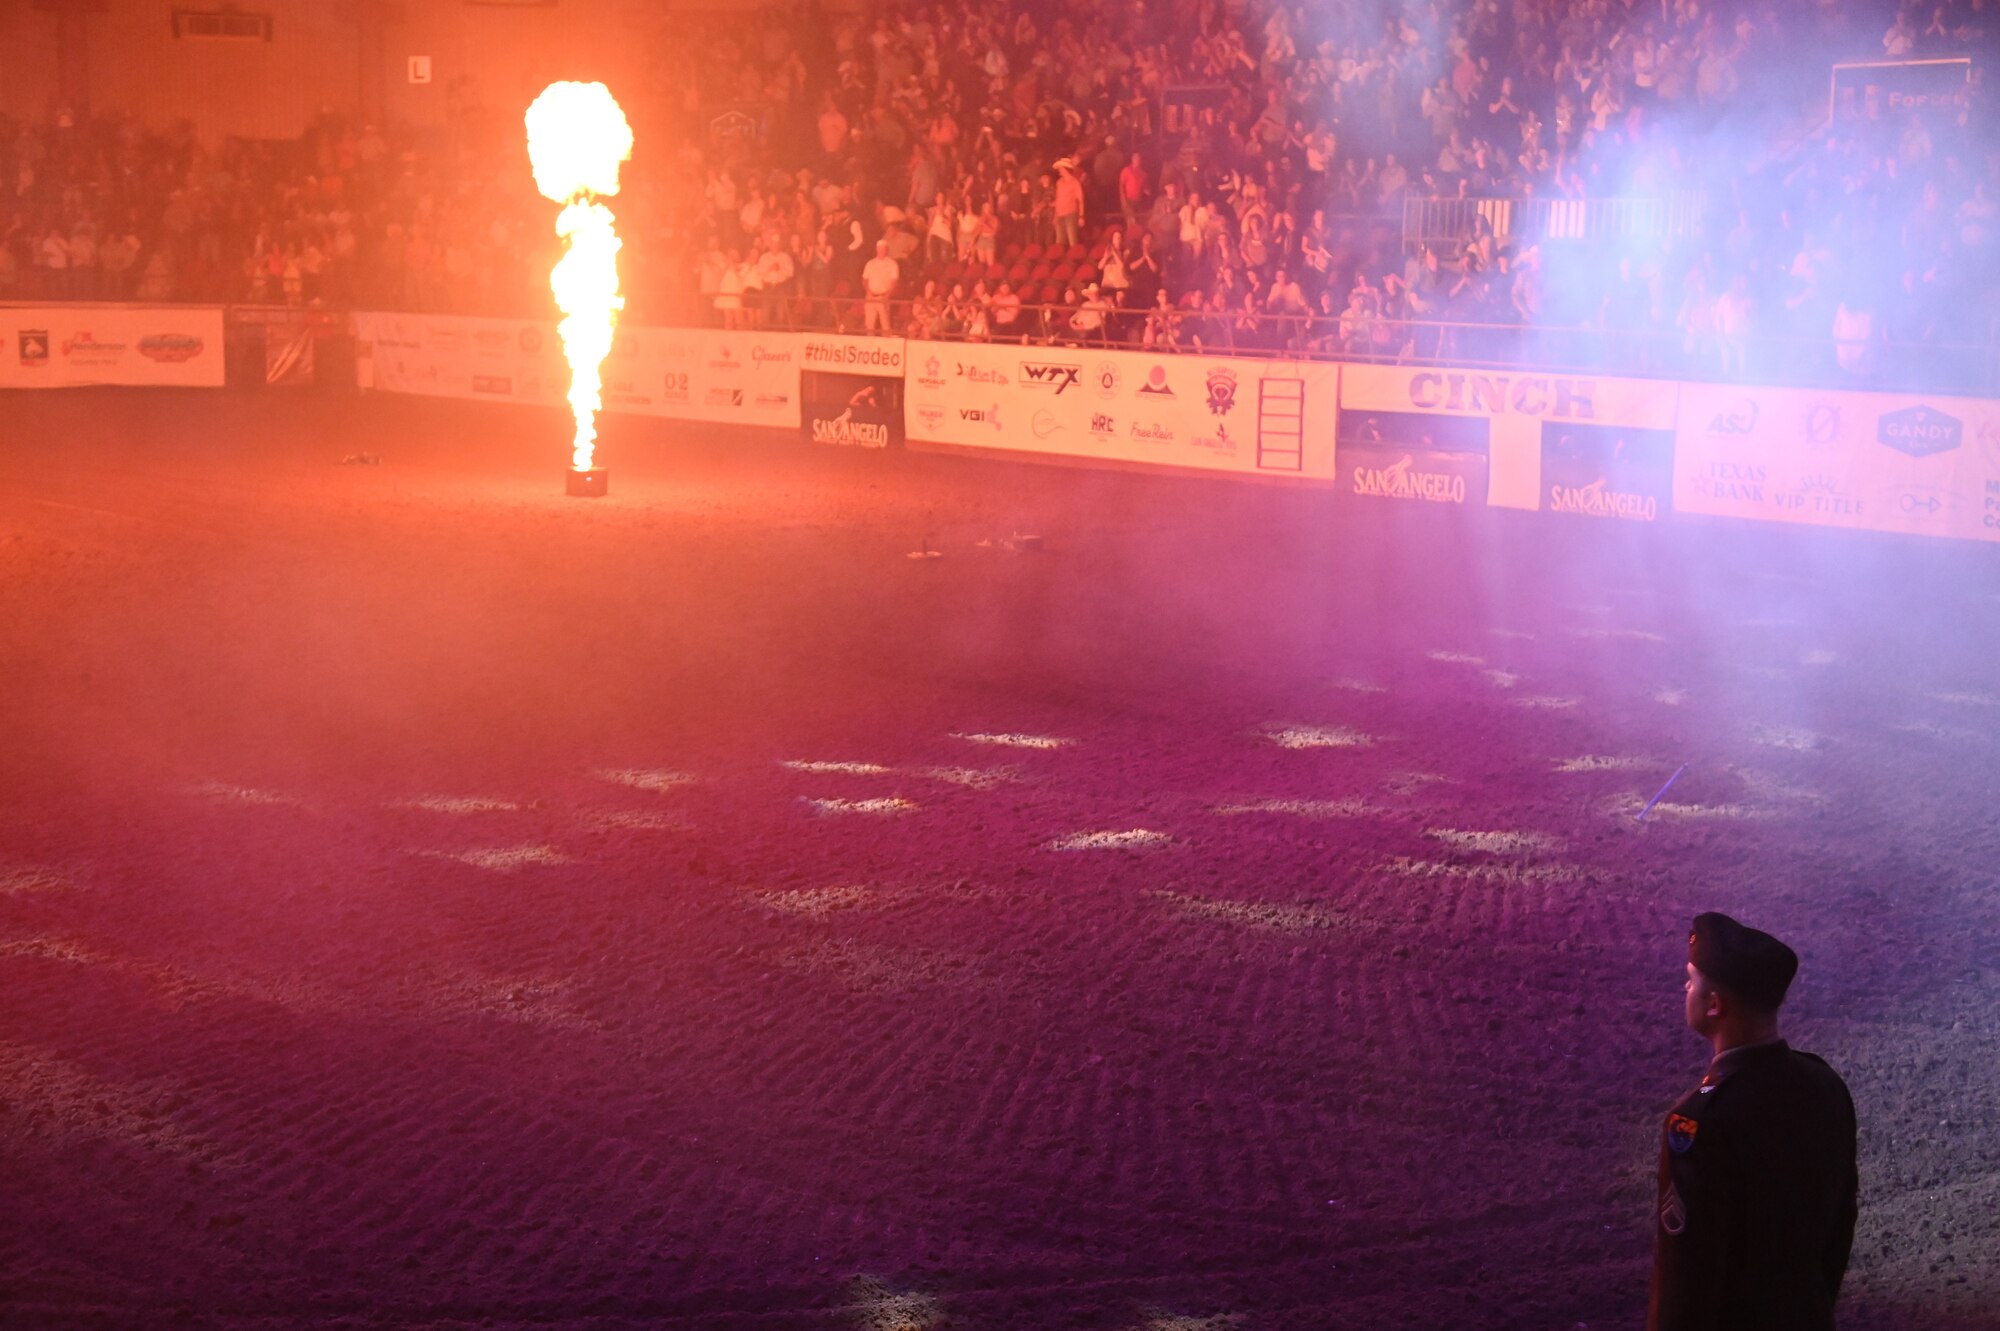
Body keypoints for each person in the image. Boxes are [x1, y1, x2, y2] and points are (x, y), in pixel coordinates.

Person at [1650, 913, 1858, 1331]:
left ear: (1714, 1005)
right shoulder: (1825, 1084)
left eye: (1692, 980)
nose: (1684, 988)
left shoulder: (1699, 1123)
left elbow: (1688, 1280)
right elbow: (1839, 1227)